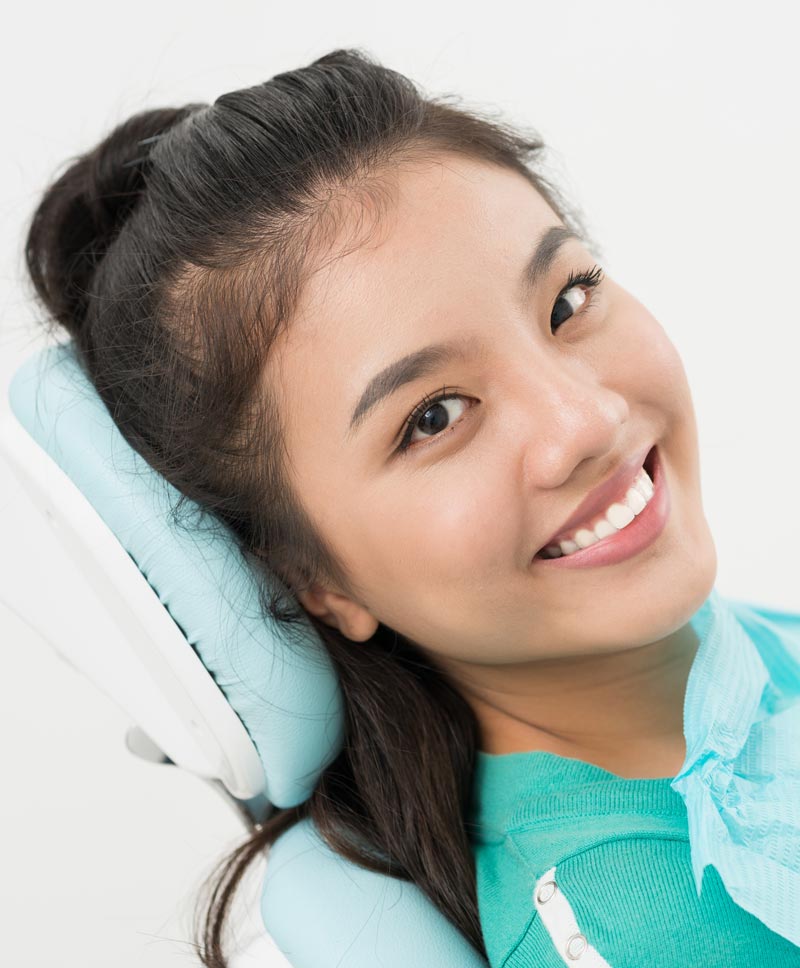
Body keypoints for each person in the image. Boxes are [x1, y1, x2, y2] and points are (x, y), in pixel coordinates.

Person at [22, 46, 800, 967]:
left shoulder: (742, 669)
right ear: (313, 575)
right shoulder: (636, 930)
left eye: (568, 299)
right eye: (433, 417)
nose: (585, 418)